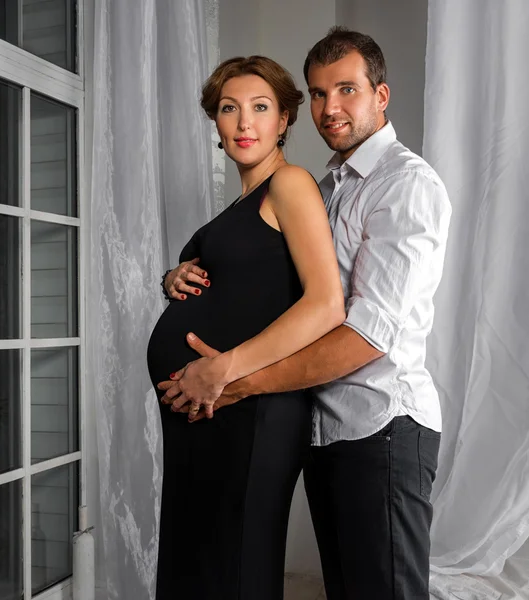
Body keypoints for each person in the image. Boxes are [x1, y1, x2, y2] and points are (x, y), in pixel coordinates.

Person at [160, 27, 452, 600]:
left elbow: (366, 336)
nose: (330, 107)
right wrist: (177, 275)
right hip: (326, 429)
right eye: (318, 93)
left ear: (381, 96)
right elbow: (265, 287)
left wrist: (237, 381)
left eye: (346, 89)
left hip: (381, 425)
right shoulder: (327, 188)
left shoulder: (405, 185)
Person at [147, 54, 345, 600]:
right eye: (229, 109)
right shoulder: (238, 206)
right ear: (215, 121)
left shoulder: (291, 184)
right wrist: (173, 276)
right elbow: (237, 280)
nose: (243, 123)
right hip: (204, 414)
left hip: (249, 409)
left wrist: (222, 369)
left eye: (260, 108)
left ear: (284, 119)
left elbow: (327, 304)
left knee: (236, 567)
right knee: (200, 563)